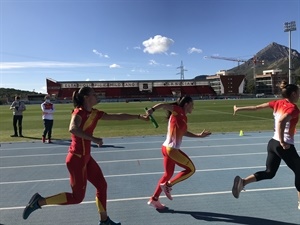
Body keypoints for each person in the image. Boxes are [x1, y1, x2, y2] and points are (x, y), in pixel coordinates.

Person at [22, 86, 149, 225]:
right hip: (76, 159)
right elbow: (73, 128)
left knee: (101, 186)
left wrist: (138, 117)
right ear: (86, 98)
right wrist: (93, 139)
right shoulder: (79, 113)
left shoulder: (94, 113)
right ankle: (39, 201)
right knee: (77, 198)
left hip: (86, 158)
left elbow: (117, 116)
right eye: (94, 94)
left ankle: (104, 220)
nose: (97, 96)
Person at [232, 80, 300, 210]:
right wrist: (282, 141)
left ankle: (243, 182)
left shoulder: (277, 103)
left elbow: (256, 108)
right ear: (293, 94)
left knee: (270, 173)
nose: (299, 96)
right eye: (298, 93)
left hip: (272, 143)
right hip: (283, 145)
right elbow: (281, 121)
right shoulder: (293, 109)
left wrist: (239, 108)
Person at [146, 95, 211, 209]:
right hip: (171, 150)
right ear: (186, 104)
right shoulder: (178, 110)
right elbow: (164, 105)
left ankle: (154, 199)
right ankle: (168, 185)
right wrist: (152, 109)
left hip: (166, 148)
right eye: (192, 105)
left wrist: (199, 136)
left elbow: (184, 132)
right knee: (191, 170)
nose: (193, 108)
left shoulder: (184, 117)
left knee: (168, 174)